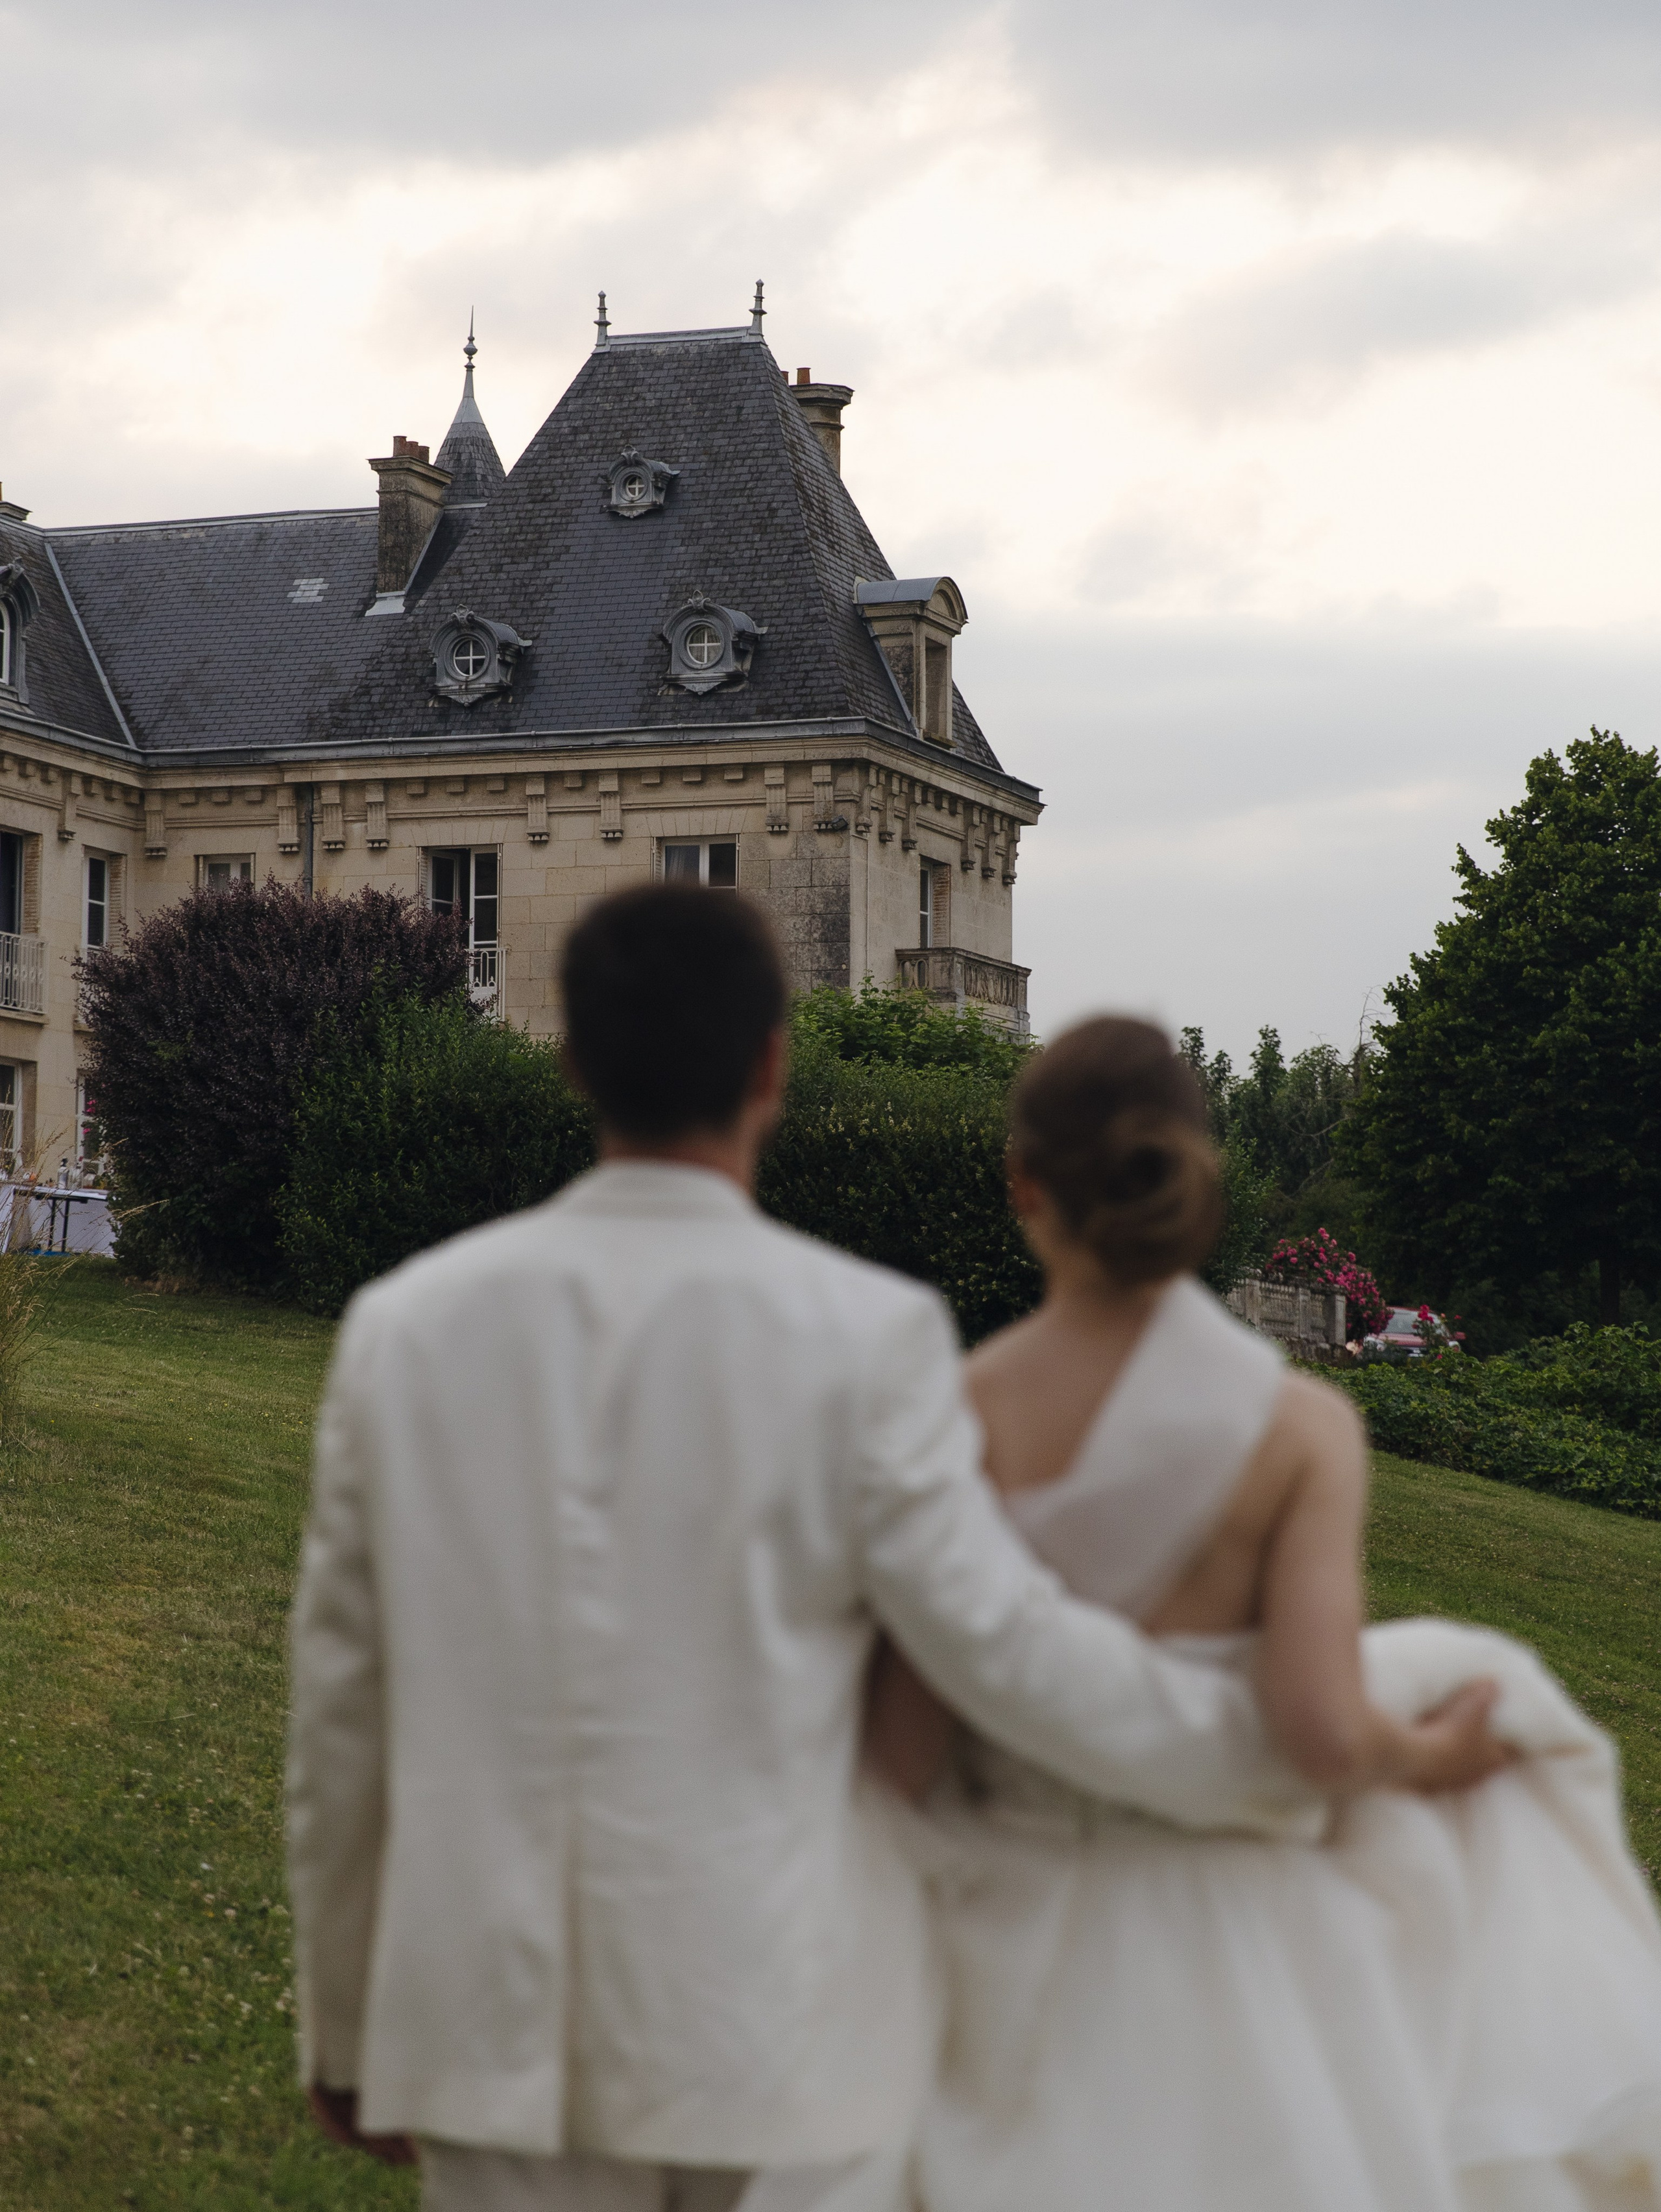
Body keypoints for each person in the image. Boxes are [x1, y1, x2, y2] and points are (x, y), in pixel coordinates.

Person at [285, 887, 1499, 2212]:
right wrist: (1309, 1755)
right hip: (768, 2013)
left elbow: (344, 1714)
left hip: (480, 2019)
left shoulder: (403, 1329)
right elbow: (1015, 1652)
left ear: (572, 1056)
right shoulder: (866, 1340)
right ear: (771, 1064)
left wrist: (345, 2025)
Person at [866, 1015, 1661, 2212]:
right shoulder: (1300, 1430)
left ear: (1023, 1183)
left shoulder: (953, 1420)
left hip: (1010, 1959)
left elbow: (904, 1755)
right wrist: (1433, 1750)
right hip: (1239, 1950)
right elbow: (1323, 1735)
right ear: (1203, 1176)